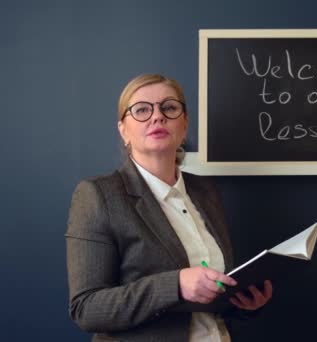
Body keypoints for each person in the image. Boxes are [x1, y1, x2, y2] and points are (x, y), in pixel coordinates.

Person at [66, 74, 272, 341]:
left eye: (169, 108)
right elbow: (86, 308)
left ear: (184, 125)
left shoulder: (205, 191)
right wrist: (175, 285)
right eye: (142, 110)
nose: (157, 117)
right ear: (123, 129)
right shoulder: (98, 196)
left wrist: (243, 304)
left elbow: (208, 298)